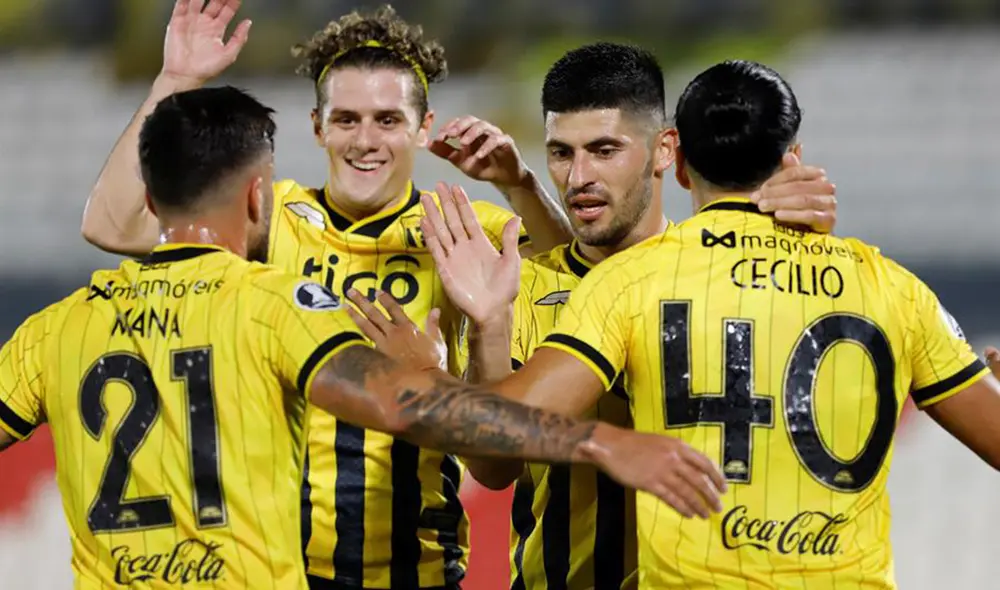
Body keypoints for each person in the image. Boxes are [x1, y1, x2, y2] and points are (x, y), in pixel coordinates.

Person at [0, 85, 731, 590]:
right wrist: (599, 441)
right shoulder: (272, 304)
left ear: (152, 200)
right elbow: (413, 406)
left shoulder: (58, 326)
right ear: (260, 195)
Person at [358, 59, 1000, 588]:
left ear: (675, 157)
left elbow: (501, 435)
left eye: (605, 149)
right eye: (560, 154)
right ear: (791, 160)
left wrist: (429, 370)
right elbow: (496, 471)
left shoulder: (632, 284)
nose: (580, 175)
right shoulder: (889, 286)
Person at [80, 2, 578, 588]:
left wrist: (520, 186)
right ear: (317, 127)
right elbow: (109, 225)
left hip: (416, 569)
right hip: (278, 570)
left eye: (387, 120)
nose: (365, 141)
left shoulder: (460, 228)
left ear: (423, 126)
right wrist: (175, 82)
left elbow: (568, 276)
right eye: (346, 119)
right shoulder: (272, 219)